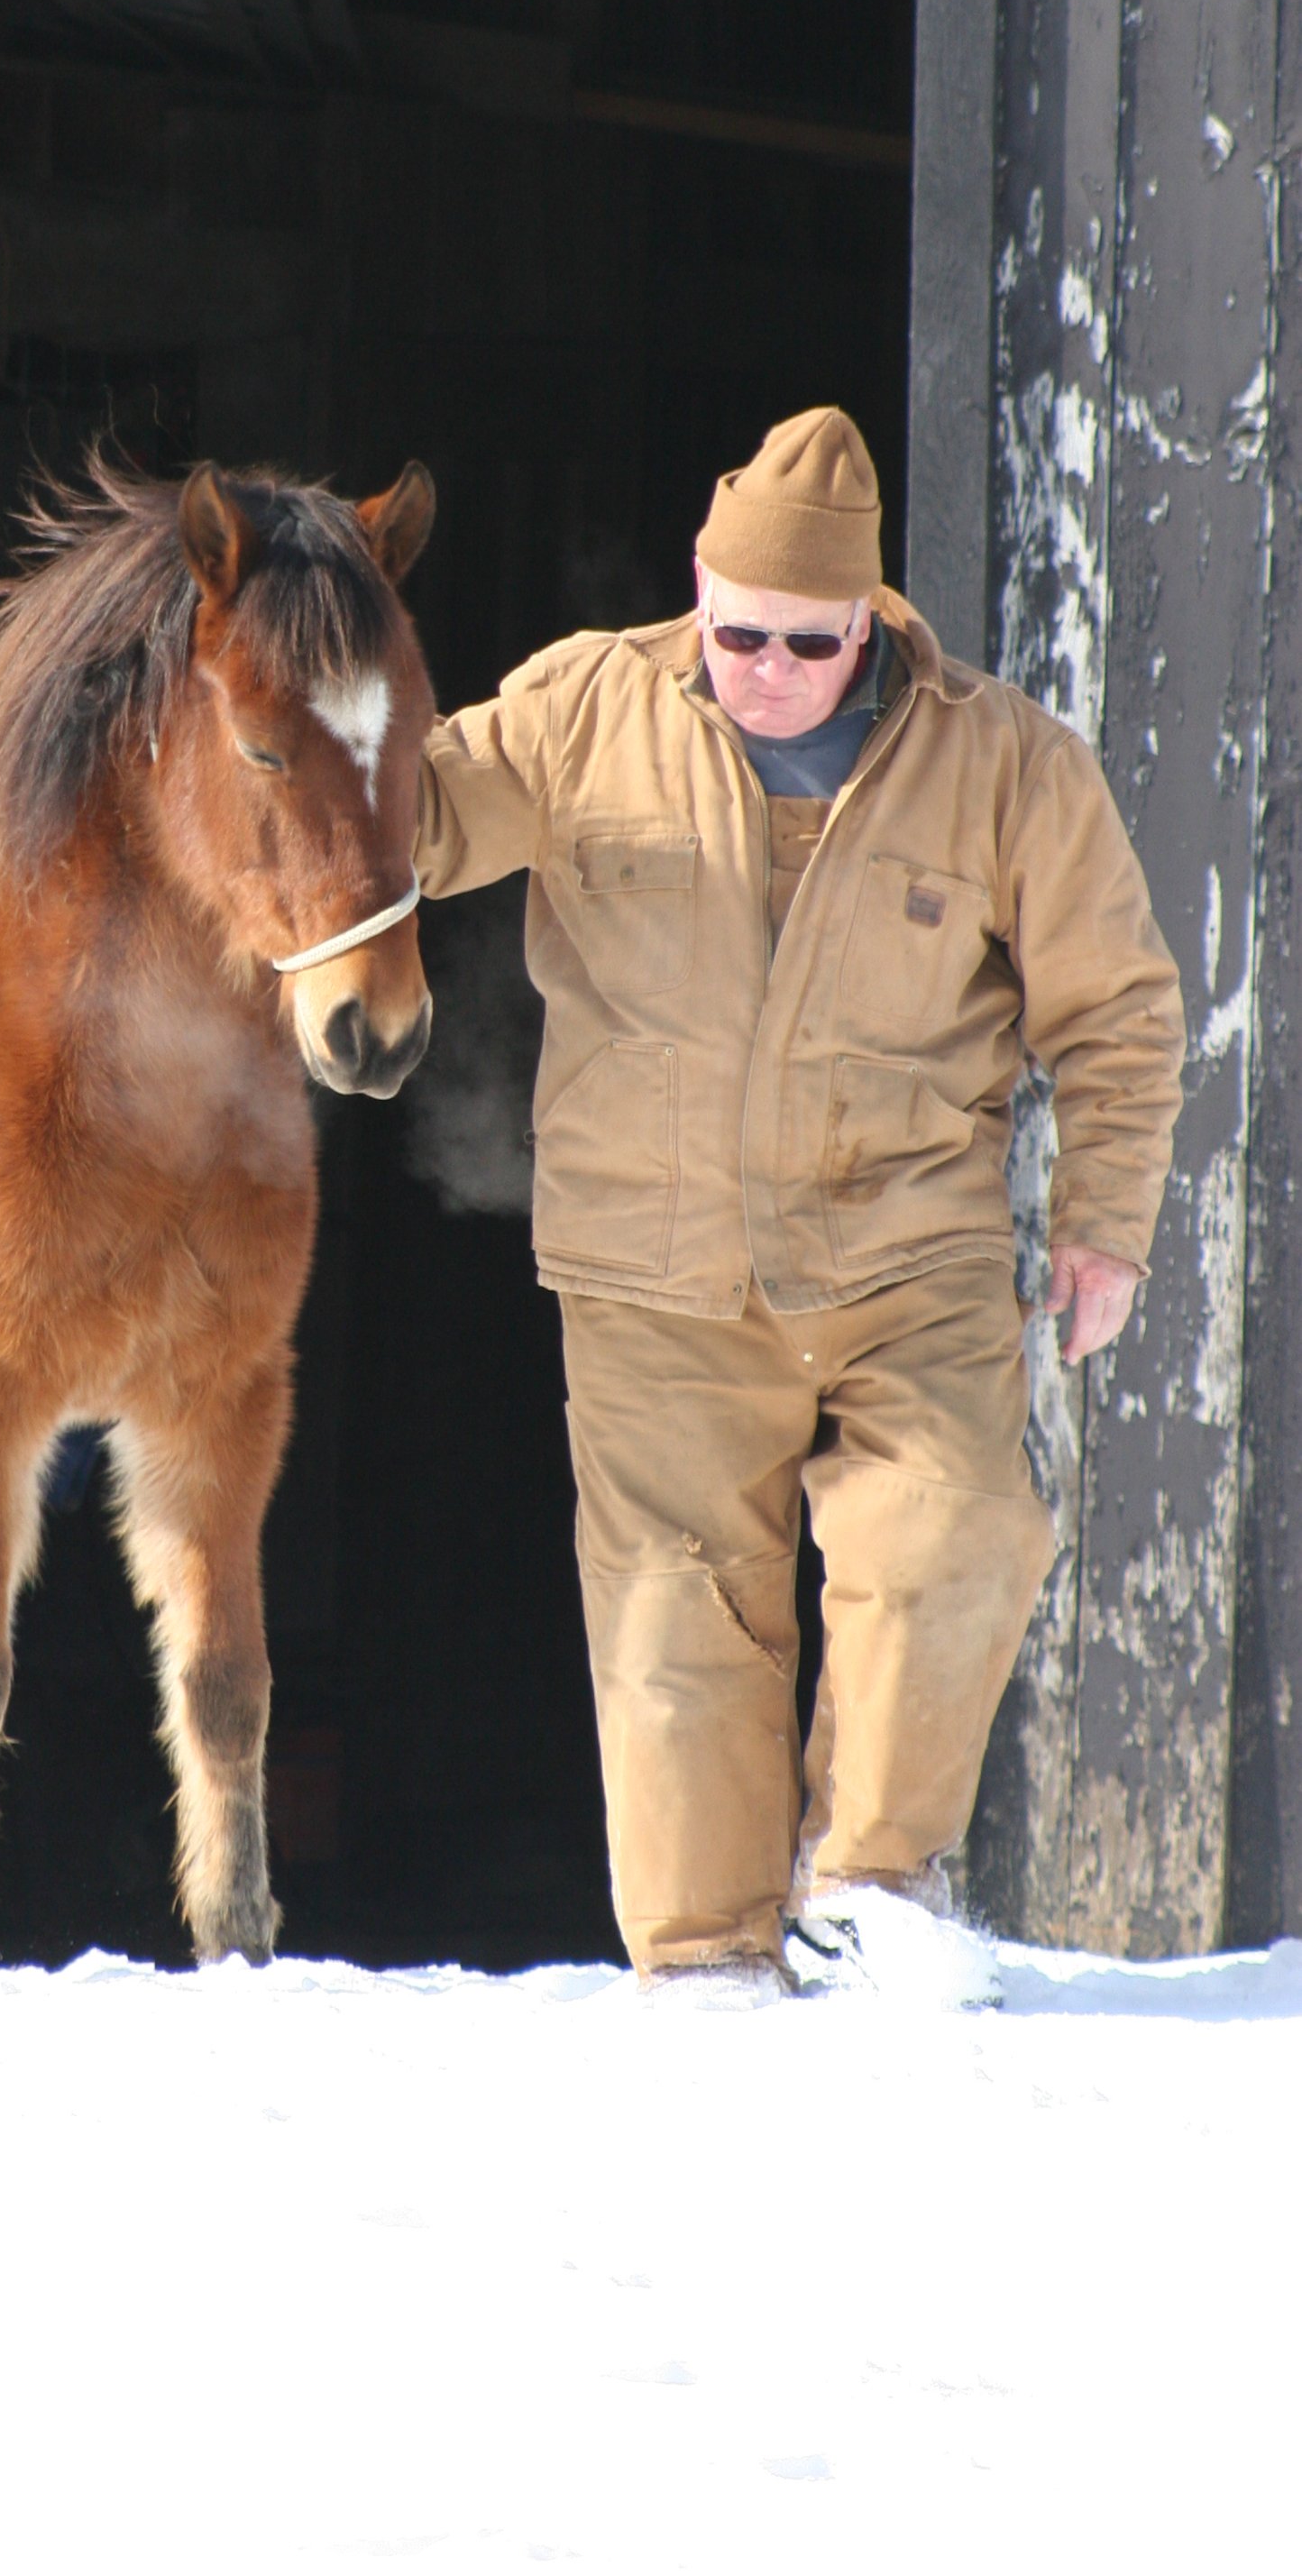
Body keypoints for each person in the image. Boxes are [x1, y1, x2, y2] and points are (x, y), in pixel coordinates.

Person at [413, 407, 1187, 2000]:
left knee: (956, 1524)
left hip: (909, 1246)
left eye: (805, 642)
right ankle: (703, 1966)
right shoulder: (582, 711)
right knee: (675, 1621)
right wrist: (308, 712)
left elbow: (1115, 1005)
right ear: (697, 587)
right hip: (657, 1267)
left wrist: (1105, 1216)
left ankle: (866, 1895)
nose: (763, 665)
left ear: (872, 625)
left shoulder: (1003, 762)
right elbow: (406, 830)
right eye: (737, 629)